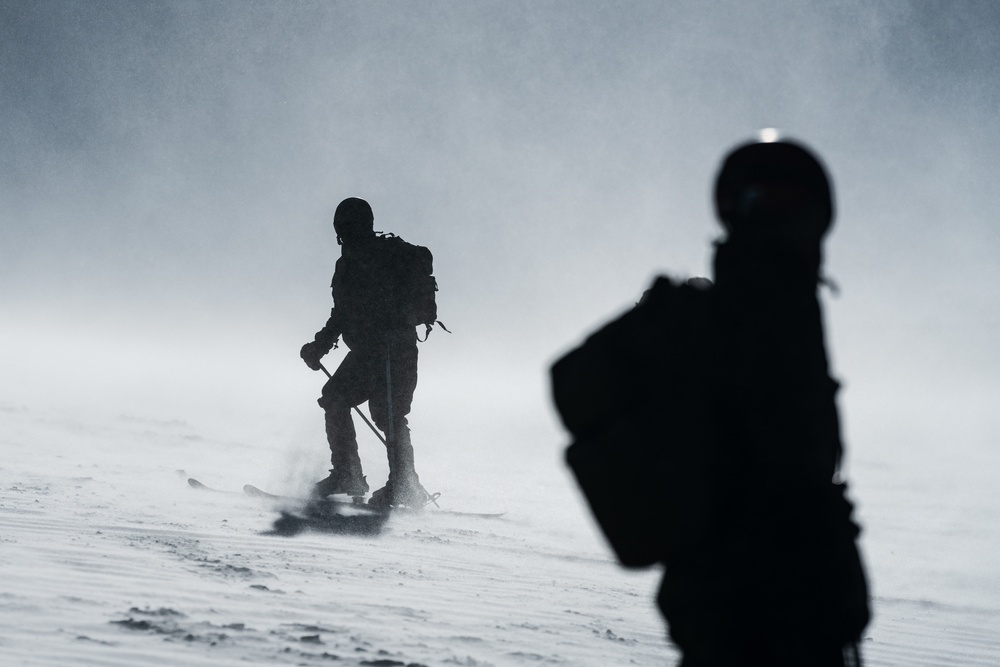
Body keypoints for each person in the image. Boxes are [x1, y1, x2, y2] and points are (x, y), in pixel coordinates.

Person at [550, 136, 870, 666]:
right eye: (773, 206)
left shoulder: (788, 321)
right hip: (752, 621)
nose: (789, 225)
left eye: (797, 207)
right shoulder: (723, 321)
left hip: (787, 616)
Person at [300, 197, 431, 509]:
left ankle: (397, 484)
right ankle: (357, 476)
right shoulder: (357, 262)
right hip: (380, 352)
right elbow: (343, 314)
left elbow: (345, 314)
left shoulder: (371, 260)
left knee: (384, 412)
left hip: (390, 352)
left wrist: (319, 346)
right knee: (348, 401)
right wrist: (319, 346)